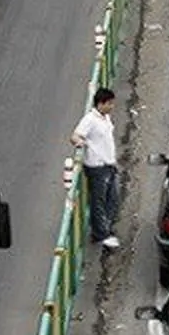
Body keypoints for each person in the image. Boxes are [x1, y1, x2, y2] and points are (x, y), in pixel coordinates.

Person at [71, 87, 121, 249]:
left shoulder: (105, 118)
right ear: (101, 104)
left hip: (109, 165)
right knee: (98, 202)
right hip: (97, 167)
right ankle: (101, 234)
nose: (112, 106)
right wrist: (80, 142)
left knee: (112, 199)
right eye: (109, 103)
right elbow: (75, 136)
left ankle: (104, 229)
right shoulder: (90, 120)